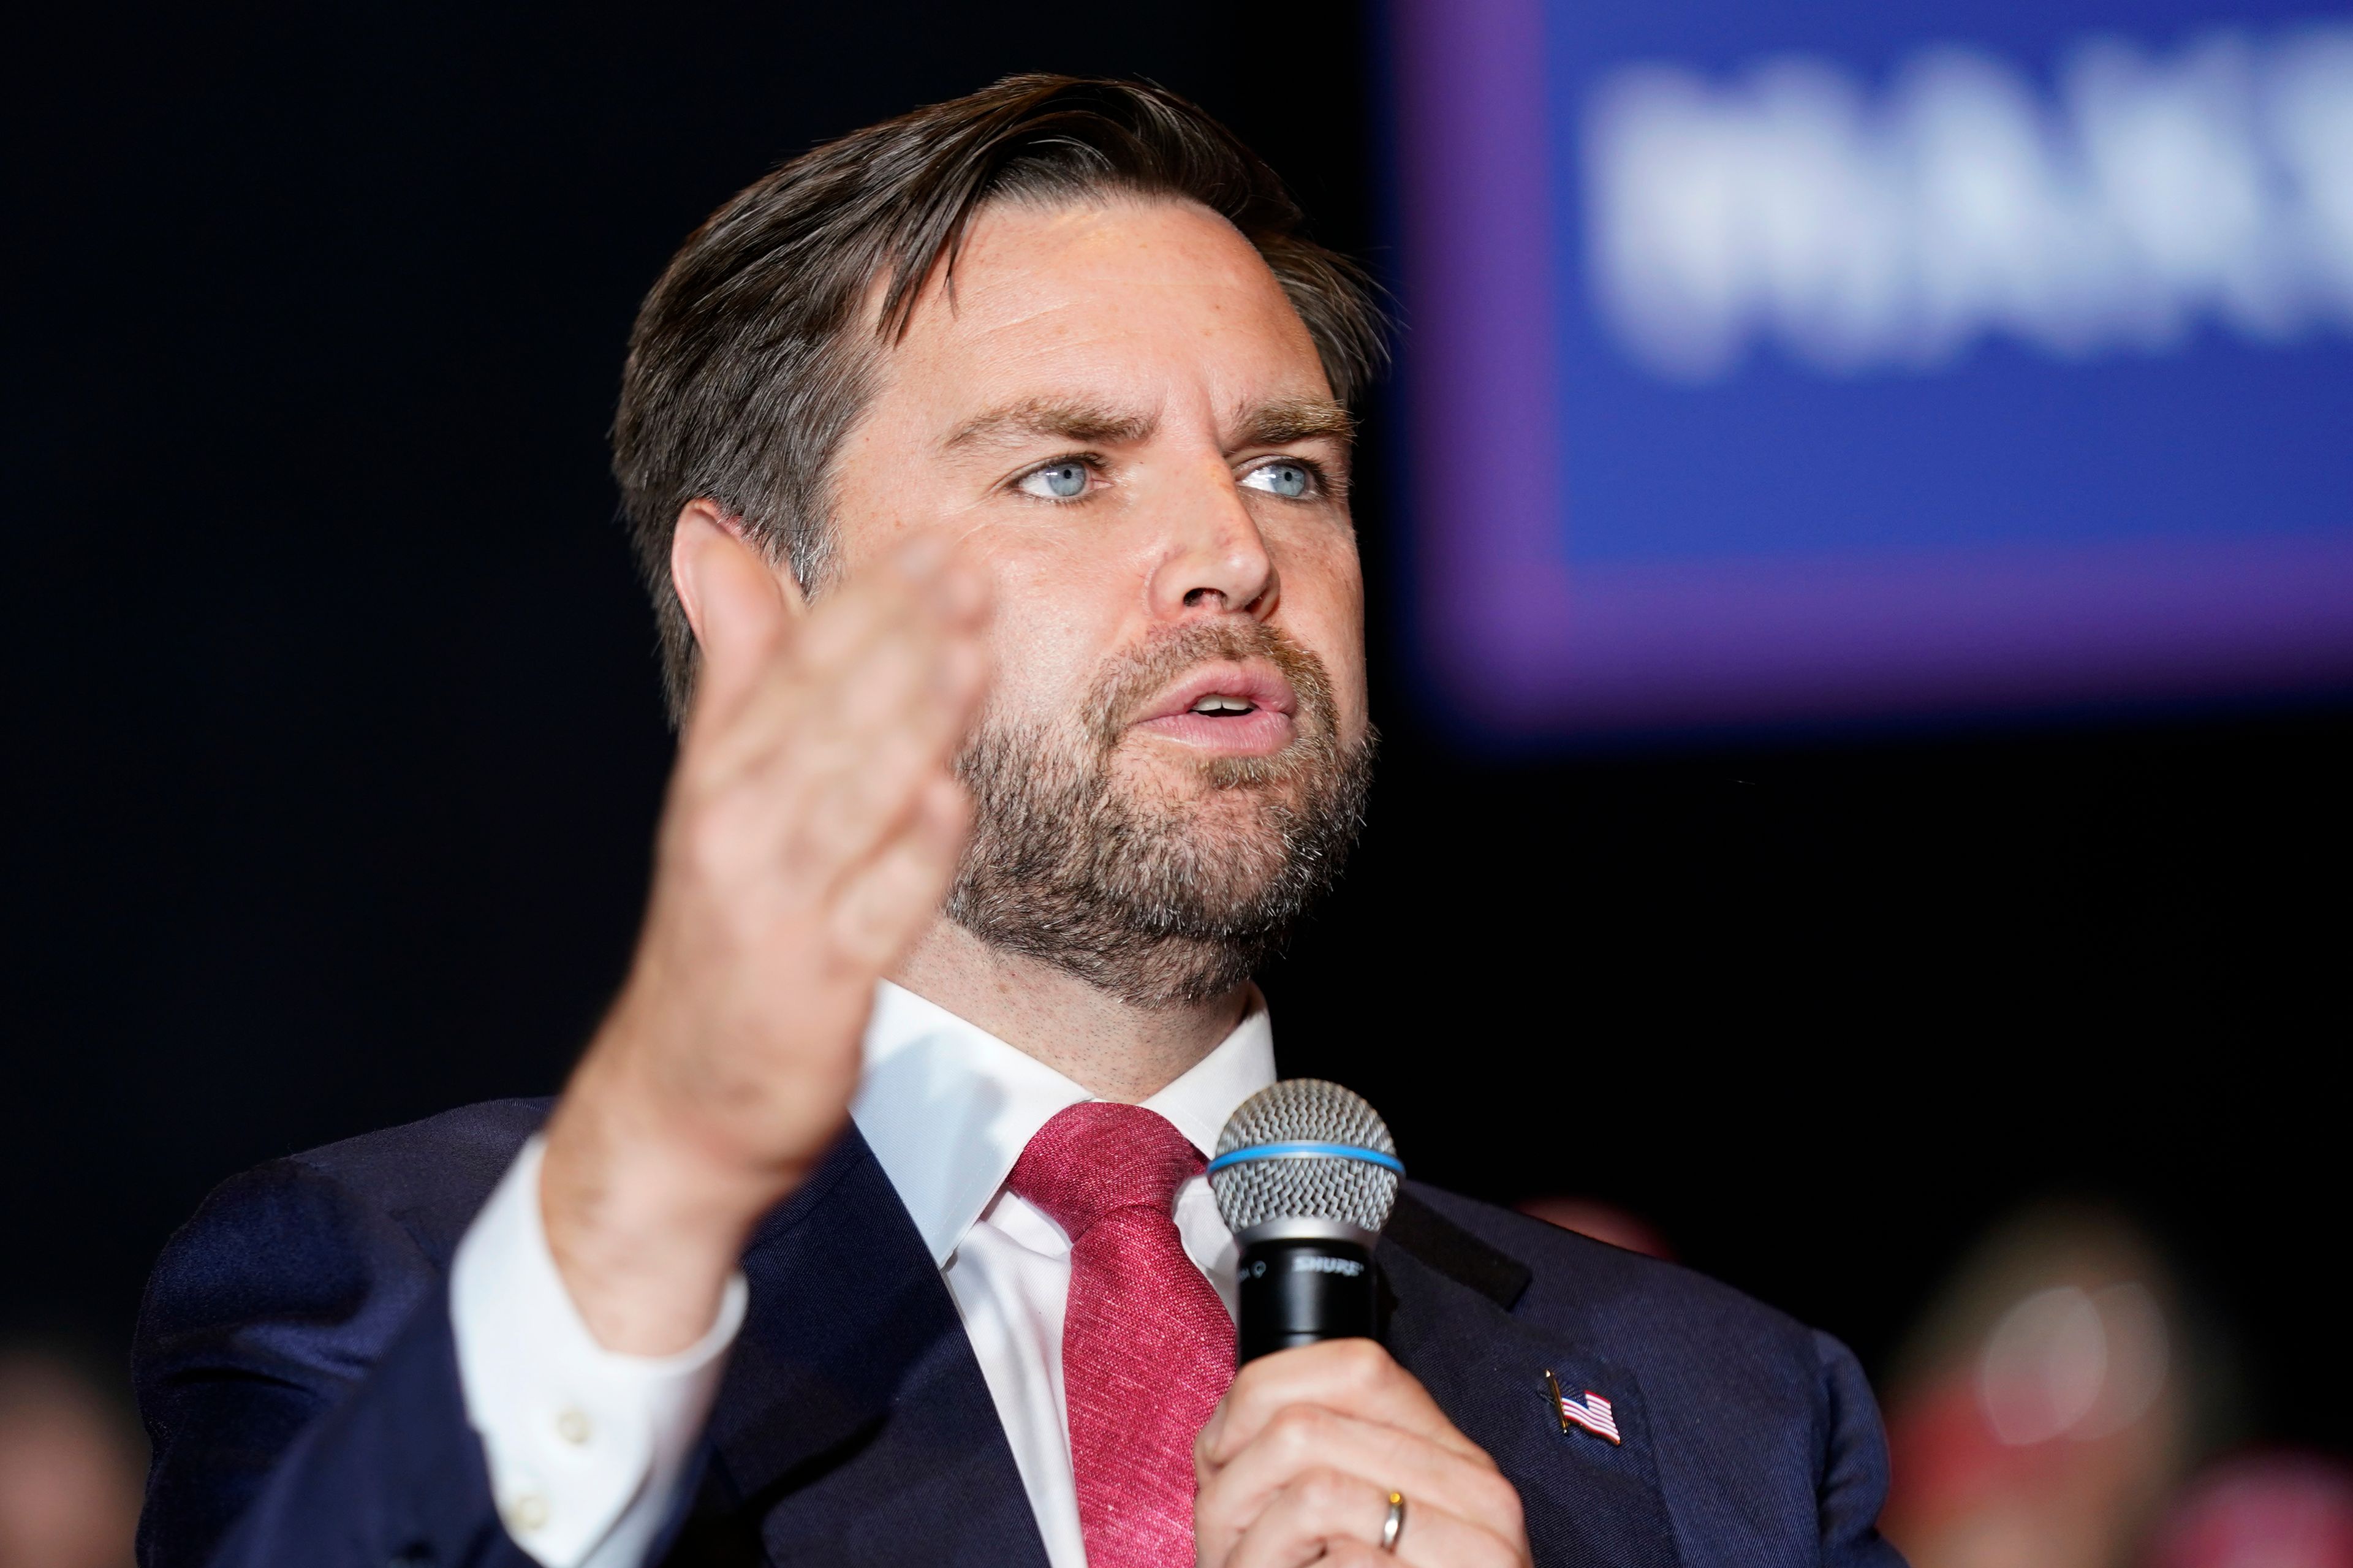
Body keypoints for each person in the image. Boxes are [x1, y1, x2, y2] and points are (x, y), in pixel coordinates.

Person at [132, 75, 1903, 1568]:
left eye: (1290, 468)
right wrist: (654, 1189)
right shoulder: (416, 1290)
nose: (1235, 553)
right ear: (759, 613)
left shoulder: (1724, 1416)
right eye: (1069, 468)